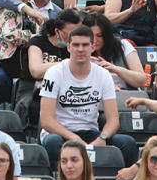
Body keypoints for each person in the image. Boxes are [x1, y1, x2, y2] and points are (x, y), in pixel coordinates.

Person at [39, 24, 138, 166]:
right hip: (61, 133)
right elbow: (46, 120)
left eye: (85, 45)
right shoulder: (54, 73)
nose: (80, 49)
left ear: (93, 47)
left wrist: (102, 138)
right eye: (76, 45)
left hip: (90, 131)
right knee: (52, 142)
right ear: (68, 47)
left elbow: (113, 120)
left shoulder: (103, 75)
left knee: (127, 143)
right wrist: (73, 138)